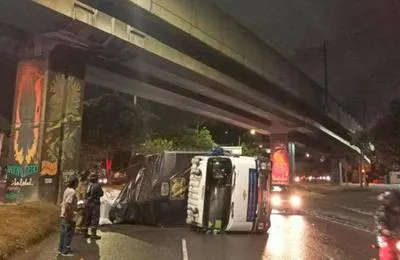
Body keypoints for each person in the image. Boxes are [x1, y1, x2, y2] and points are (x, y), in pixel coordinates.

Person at [375, 190, 400, 259]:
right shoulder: (382, 212)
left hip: (398, 236)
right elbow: (381, 226)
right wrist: (385, 230)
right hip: (387, 238)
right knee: (388, 255)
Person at [58, 176, 79, 256]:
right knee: (69, 233)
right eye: (77, 182)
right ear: (75, 183)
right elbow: (68, 204)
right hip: (68, 215)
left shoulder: (67, 190)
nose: (78, 184)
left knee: (63, 233)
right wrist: (69, 215)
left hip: (63, 214)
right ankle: (65, 251)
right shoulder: (72, 192)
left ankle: (60, 249)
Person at [84, 172, 104, 239]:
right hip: (95, 204)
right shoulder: (97, 185)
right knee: (94, 218)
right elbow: (101, 194)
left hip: (87, 203)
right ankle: (93, 234)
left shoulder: (88, 185)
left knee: (87, 218)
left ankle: (85, 233)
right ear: (96, 179)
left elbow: (85, 195)